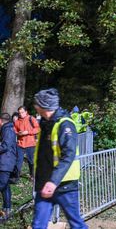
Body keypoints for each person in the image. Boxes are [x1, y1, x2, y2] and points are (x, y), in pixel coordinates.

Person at [31, 88, 87, 228]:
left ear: (44, 106)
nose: (34, 106)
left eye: (36, 104)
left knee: (76, 223)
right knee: (38, 224)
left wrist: (53, 181)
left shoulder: (65, 124)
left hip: (64, 184)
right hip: (44, 183)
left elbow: (68, 155)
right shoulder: (45, 124)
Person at [13, 106, 40, 181]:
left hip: (30, 144)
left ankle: (32, 175)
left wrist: (28, 132)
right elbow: (14, 130)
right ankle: (16, 177)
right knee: (18, 161)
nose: (21, 114)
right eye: (19, 113)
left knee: (31, 161)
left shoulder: (31, 119)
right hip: (20, 144)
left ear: (26, 112)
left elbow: (37, 129)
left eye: (22, 112)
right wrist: (18, 133)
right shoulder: (17, 121)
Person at [0, 113, 17, 220]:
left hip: (6, 163)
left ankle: (7, 210)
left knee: (1, 185)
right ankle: (7, 210)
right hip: (5, 162)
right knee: (5, 187)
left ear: (1, 121)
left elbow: (5, 146)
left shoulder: (8, 130)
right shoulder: (8, 129)